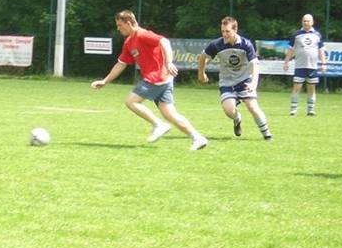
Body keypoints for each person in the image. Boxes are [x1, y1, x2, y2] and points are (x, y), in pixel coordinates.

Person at [91, 10, 208, 151]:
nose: (118, 28)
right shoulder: (129, 42)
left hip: (157, 77)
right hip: (163, 79)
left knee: (131, 101)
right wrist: (105, 81)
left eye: (119, 25)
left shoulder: (142, 34)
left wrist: (169, 62)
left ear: (128, 23)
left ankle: (159, 125)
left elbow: (164, 41)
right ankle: (198, 138)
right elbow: (121, 64)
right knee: (169, 114)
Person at [198, 16, 272, 140]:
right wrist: (201, 74)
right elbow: (202, 57)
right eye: (223, 31)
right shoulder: (217, 44)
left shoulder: (246, 44)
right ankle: (237, 119)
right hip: (227, 83)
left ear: (235, 30)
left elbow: (255, 64)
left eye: (227, 31)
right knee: (229, 110)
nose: (224, 34)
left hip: (244, 81)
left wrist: (253, 84)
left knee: (252, 106)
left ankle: (267, 135)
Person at [282, 14, 327, 116]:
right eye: (304, 21)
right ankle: (293, 110)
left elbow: (321, 51)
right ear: (302, 22)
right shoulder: (296, 35)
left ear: (312, 22)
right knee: (296, 87)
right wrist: (286, 62)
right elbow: (290, 50)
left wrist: (324, 63)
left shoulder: (317, 35)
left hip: (313, 67)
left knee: (311, 88)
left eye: (308, 21)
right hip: (300, 66)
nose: (306, 22)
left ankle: (310, 110)